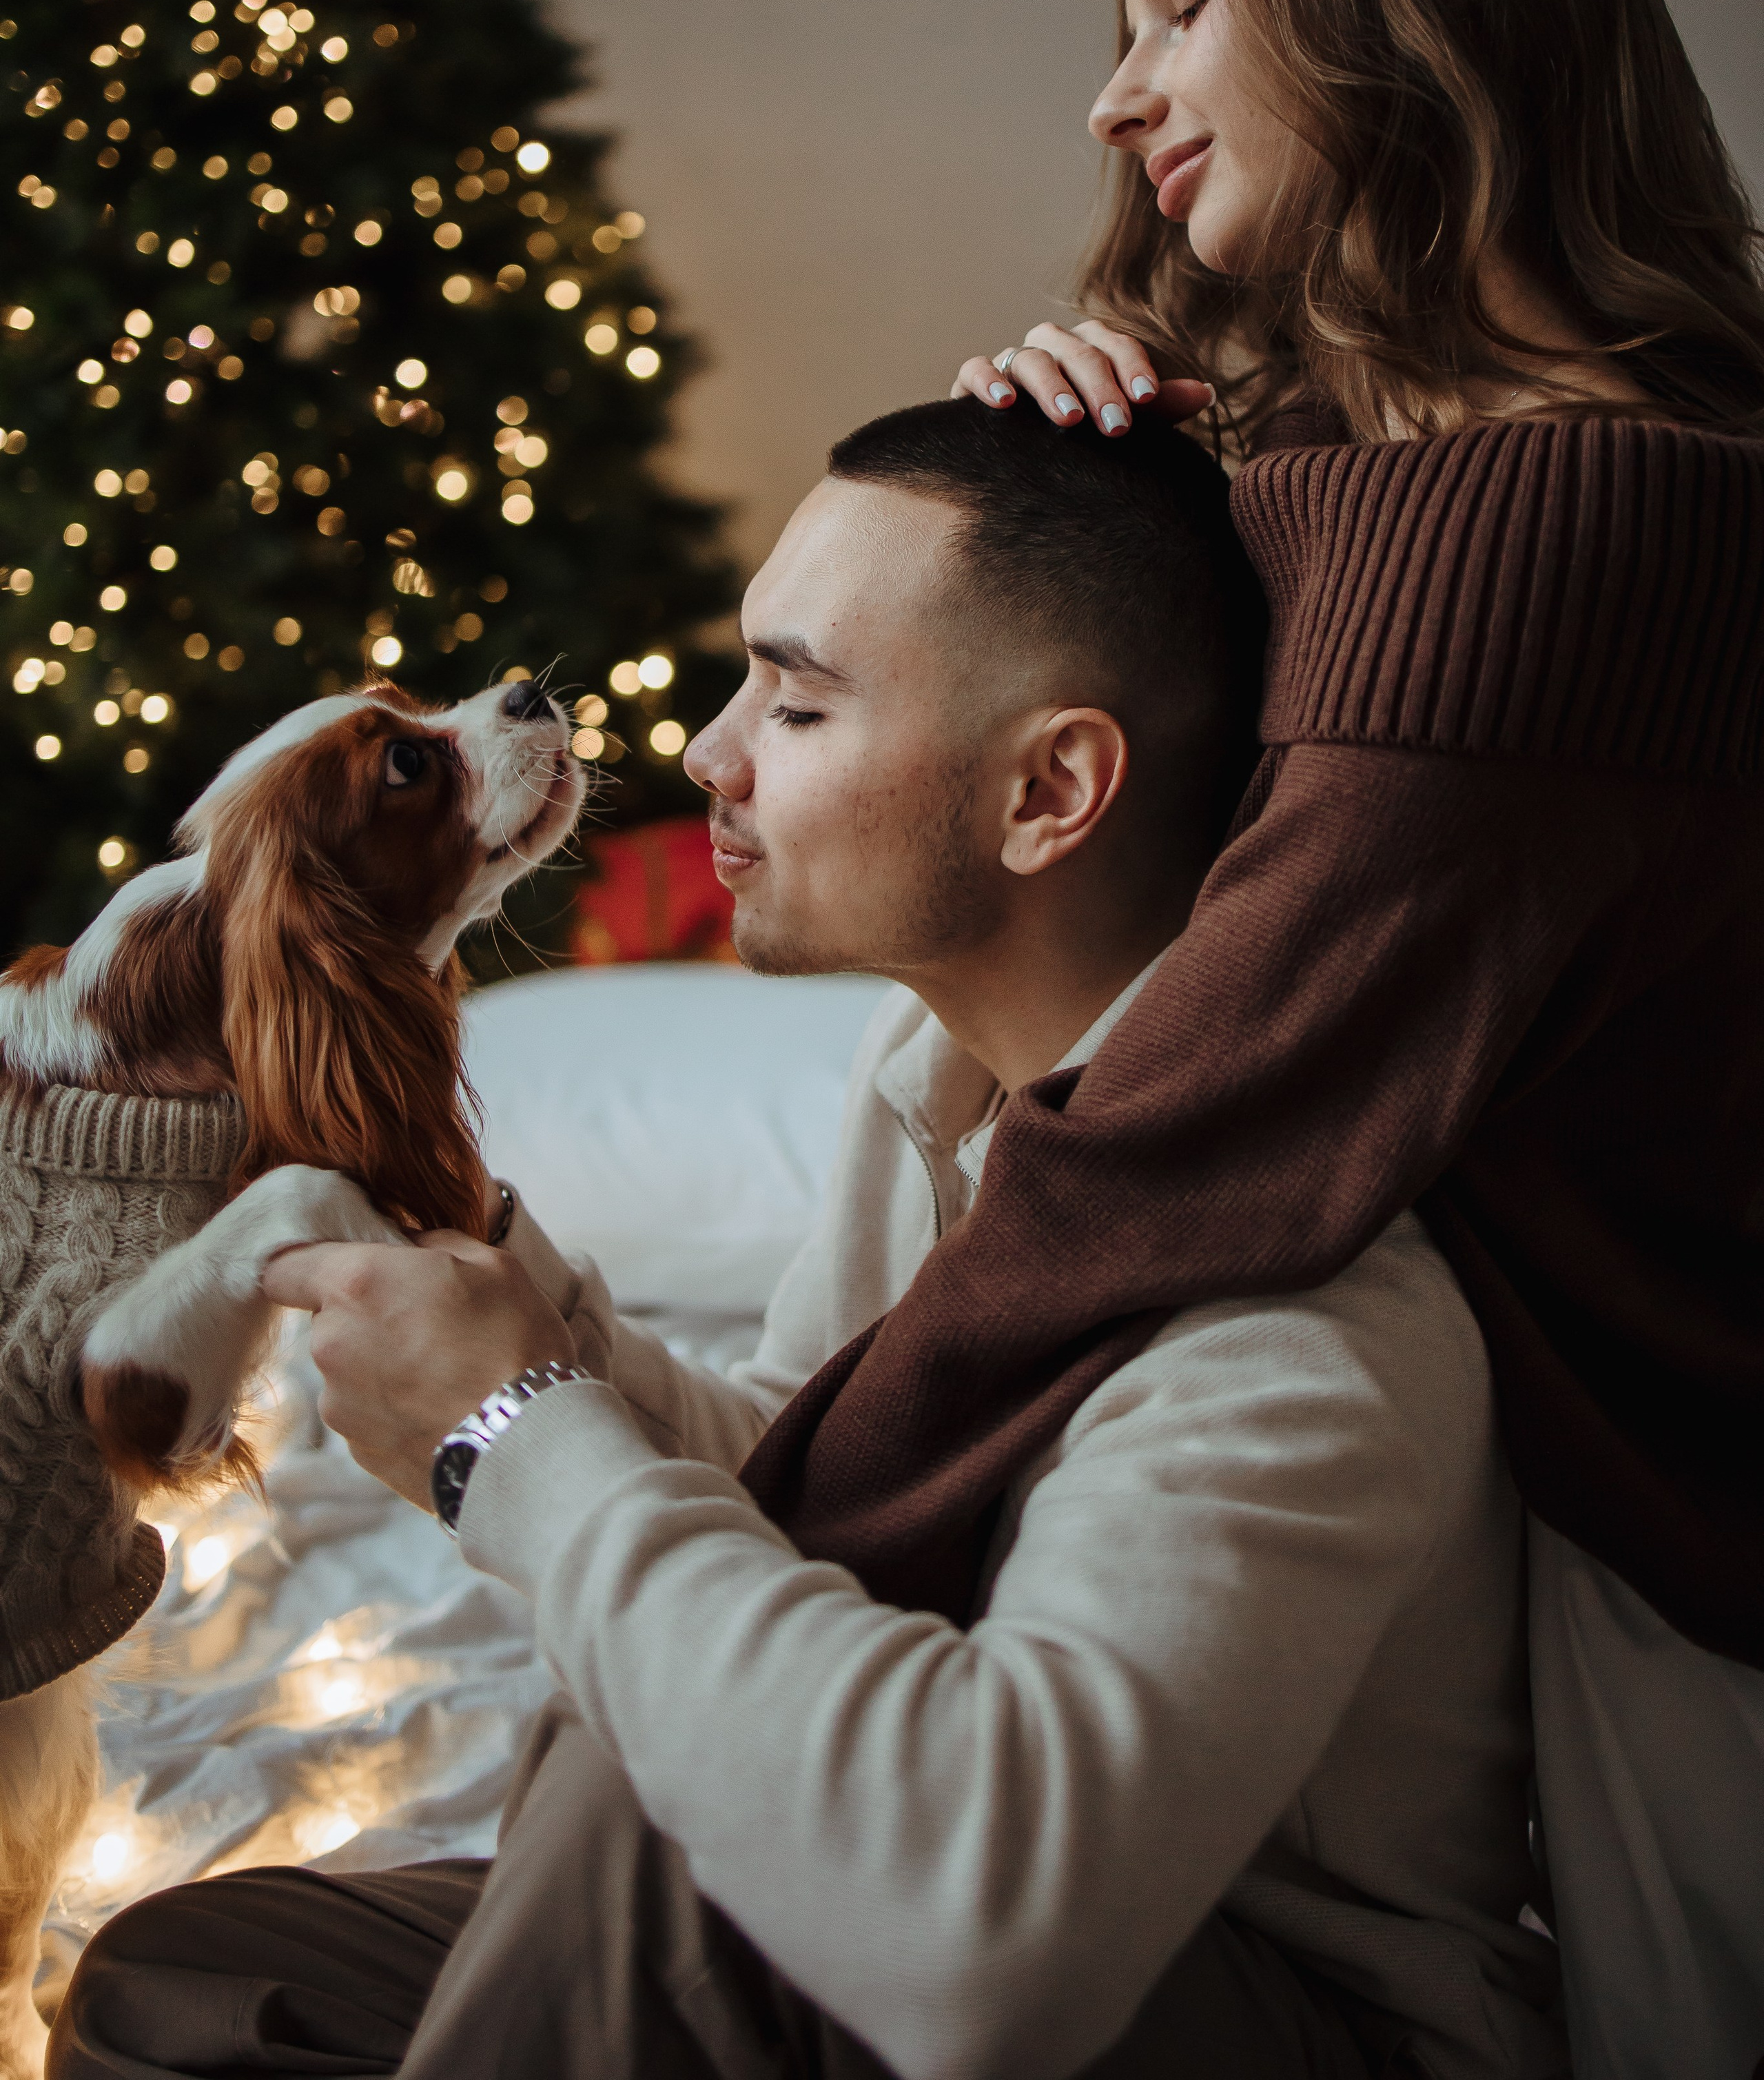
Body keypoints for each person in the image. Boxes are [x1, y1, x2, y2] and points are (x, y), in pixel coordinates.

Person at [52, 399, 1564, 2080]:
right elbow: (801, 1474)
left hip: (1241, 1999)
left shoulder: (1302, 1305)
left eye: (794, 698)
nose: (707, 752)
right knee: (186, 1977)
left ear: (1049, 788)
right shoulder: (937, 1090)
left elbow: (979, 1928)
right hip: (893, 1911)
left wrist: (509, 1443)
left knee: (656, 1821)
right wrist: (506, 1297)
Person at [905, 0, 1764, 2080]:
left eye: (1179, 1)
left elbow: (1170, 1123)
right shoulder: (1361, 487)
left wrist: (690, 1546)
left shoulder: (1576, 518)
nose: (1115, 94)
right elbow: (1096, 915)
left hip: (1671, 1591)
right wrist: (1059, 512)